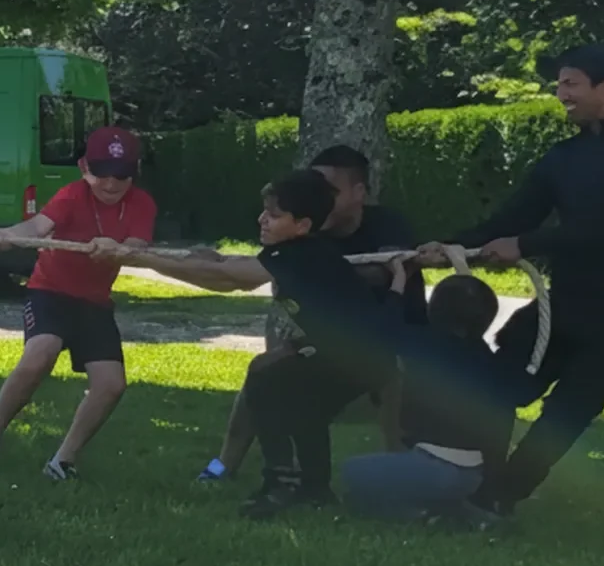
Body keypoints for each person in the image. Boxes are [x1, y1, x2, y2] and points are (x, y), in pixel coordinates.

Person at [421, 44, 604, 521]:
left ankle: (493, 502)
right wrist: (451, 246)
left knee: (562, 416)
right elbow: (515, 215)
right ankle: (475, 476)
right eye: (559, 83)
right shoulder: (563, 158)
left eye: (571, 83)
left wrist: (528, 243)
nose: (559, 93)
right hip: (564, 309)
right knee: (497, 387)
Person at [128, 170, 397, 517]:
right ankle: (314, 490)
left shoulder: (300, 255)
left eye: (273, 215)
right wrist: (188, 260)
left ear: (301, 225)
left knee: (268, 383)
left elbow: (226, 277)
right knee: (304, 409)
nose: (262, 220)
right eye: (264, 211)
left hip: (359, 356)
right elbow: (226, 272)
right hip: (354, 354)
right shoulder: (296, 252)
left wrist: (138, 260)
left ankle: (281, 483)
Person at [163, 144, 420, 481]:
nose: (317, 193)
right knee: (264, 372)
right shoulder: (299, 231)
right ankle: (226, 464)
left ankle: (396, 463)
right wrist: (184, 262)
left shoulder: (386, 225)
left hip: (392, 338)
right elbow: (243, 274)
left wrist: (315, 271)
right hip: (324, 340)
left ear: (359, 193)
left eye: (330, 189)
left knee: (388, 375)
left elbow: (387, 271)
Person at [0, 126, 156, 481]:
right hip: (50, 291)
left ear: (134, 172)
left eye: (122, 175)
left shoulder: (141, 204)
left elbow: (139, 247)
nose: (111, 184)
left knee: (111, 384)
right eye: (101, 173)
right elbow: (36, 228)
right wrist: (8, 237)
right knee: (41, 353)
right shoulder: (71, 196)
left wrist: (121, 248)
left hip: (94, 303)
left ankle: (62, 461)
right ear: (84, 168)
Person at [340, 263, 520, 521]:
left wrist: (399, 280)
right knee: (370, 490)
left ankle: (432, 516)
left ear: (434, 310)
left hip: (435, 469)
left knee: (352, 473)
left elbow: (377, 332)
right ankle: (452, 508)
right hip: (474, 473)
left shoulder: (424, 344)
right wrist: (458, 262)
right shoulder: (483, 356)